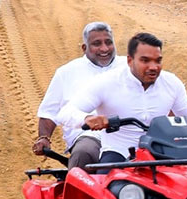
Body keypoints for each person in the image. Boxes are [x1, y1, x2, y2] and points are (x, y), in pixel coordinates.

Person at [57, 32, 187, 168]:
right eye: (145, 60)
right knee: (104, 191)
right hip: (119, 153)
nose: (153, 67)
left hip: (164, 152)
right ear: (130, 60)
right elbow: (65, 113)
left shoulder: (171, 83)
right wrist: (87, 119)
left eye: (158, 61)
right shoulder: (106, 82)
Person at [32, 21, 126, 170]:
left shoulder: (130, 68)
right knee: (83, 154)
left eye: (108, 42)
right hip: (90, 137)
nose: (104, 48)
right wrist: (44, 138)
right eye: (97, 44)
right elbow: (49, 112)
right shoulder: (67, 73)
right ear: (84, 48)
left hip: (129, 134)